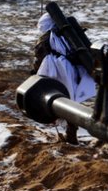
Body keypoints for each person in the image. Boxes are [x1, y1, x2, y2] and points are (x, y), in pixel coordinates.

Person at [32, 12, 96, 145]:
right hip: (72, 70)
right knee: (71, 101)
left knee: (58, 101)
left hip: (57, 72)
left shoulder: (47, 38)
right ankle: (71, 133)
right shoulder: (66, 34)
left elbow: (39, 56)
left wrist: (35, 71)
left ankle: (70, 135)